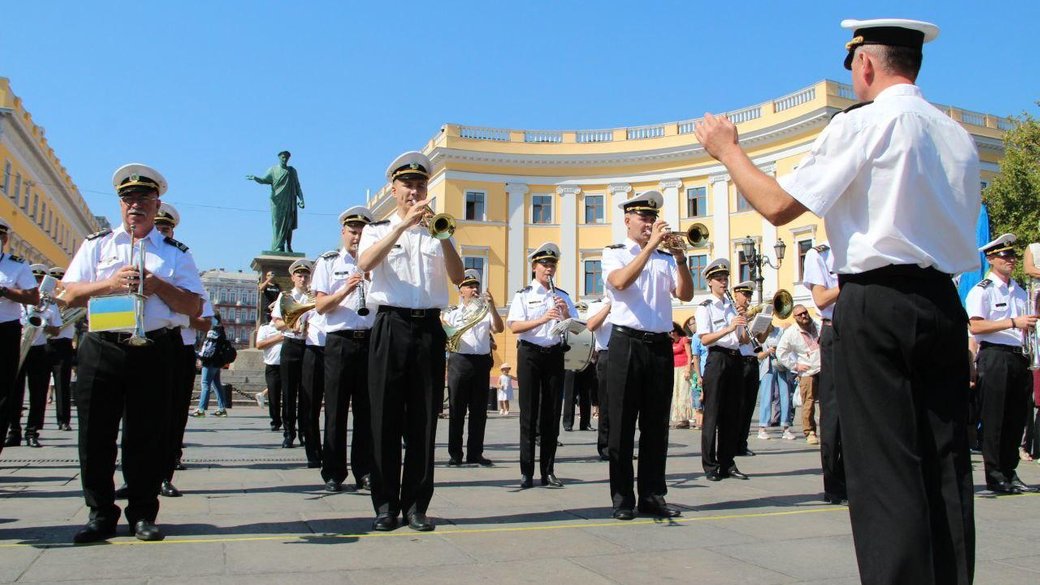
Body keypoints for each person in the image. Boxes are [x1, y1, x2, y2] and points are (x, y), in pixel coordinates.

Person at [695, 18, 979, 584]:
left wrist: (728, 152)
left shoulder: (865, 124)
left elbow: (777, 205)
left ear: (866, 64)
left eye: (852, 65)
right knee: (947, 464)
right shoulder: (956, 134)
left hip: (877, 302)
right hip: (944, 302)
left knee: (884, 467)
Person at [62, 163, 204, 543]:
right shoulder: (97, 245)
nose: (134, 206)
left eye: (143, 199)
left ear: (157, 205)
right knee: (95, 435)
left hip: (153, 348)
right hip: (103, 345)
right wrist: (108, 284)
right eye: (128, 199)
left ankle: (142, 512)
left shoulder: (175, 254)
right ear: (120, 205)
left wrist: (156, 284)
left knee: (146, 435)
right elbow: (67, 293)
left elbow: (193, 307)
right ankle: (99, 513)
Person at [357, 151, 464, 532]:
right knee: (384, 418)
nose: (415, 192)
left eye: (421, 186)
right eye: (408, 186)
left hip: (429, 329)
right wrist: (401, 226)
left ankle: (417, 505)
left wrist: (444, 236)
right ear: (394, 189)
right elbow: (365, 263)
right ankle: (385, 505)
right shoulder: (377, 228)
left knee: (423, 421)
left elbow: (458, 276)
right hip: (390, 324)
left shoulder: (439, 231)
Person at [602, 190, 694, 520]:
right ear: (627, 220)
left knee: (657, 426)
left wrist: (680, 258)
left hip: (659, 346)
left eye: (653, 218)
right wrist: (651, 246)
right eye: (643, 217)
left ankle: (653, 494)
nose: (650, 223)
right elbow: (621, 282)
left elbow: (685, 293)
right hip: (626, 344)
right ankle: (623, 498)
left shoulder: (666, 259)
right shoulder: (614, 253)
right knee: (623, 425)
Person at [965, 234, 1038, 494]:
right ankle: (995, 475)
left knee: (1016, 417)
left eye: (1013, 256)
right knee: (994, 418)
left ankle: (1010, 470)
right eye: (1005, 256)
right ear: (991, 258)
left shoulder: (1018, 290)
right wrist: (1012, 323)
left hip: (1019, 355)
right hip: (994, 355)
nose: (1011, 260)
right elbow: (976, 325)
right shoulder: (983, 289)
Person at [312, 206, 376, 492]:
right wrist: (346, 290)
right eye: (353, 232)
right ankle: (333, 472)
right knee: (336, 409)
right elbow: (321, 306)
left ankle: (364, 469)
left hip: (370, 339)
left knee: (367, 410)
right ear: (343, 232)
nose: (357, 237)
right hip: (340, 341)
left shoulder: (376, 261)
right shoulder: (328, 261)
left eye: (362, 233)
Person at [154, 202, 213, 498]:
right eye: (158, 226)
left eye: (165, 228)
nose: (161, 231)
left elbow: (204, 321)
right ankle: (136, 474)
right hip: (142, 342)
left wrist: (176, 310)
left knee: (173, 413)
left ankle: (165, 471)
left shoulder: (180, 262)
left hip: (178, 345)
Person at [506, 242, 576, 490]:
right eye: (545, 265)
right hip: (530, 355)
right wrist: (542, 318)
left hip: (554, 354)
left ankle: (548, 471)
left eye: (552, 265)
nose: (549, 269)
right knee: (528, 414)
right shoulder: (524, 295)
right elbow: (514, 326)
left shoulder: (562, 295)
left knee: (551, 413)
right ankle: (526, 472)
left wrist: (566, 314)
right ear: (534, 267)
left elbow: (577, 328)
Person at [695, 259, 749, 482]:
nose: (723, 283)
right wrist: (728, 327)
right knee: (713, 414)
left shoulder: (732, 306)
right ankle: (710, 465)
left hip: (735, 358)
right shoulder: (705, 306)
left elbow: (743, 340)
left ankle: (727, 462)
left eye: (725, 279)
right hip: (716, 359)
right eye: (719, 279)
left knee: (731, 415)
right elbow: (705, 338)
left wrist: (743, 322)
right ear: (709, 282)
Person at [444, 269, 504, 467]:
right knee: (457, 409)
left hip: (480, 363)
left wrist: (493, 306)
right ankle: (455, 453)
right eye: (470, 286)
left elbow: (498, 328)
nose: (474, 289)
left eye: (476, 286)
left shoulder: (485, 311)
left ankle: (475, 453)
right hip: (459, 361)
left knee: (479, 411)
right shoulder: (452, 313)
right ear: (460, 291)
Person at [802, 242, 847, 503]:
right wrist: (853, 283)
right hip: (835, 330)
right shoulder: (819, 254)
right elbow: (820, 299)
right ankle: (834, 483)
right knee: (833, 411)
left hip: (864, 329)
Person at [0, 219, 40, 457]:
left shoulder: (16, 265)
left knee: (3, 392)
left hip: (5, 330)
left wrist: (5, 291)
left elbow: (33, 296)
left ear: (4, 240)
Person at [10, 264, 61, 448]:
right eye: (34, 279)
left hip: (39, 349)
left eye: (40, 280)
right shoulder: (15, 300)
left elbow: (56, 330)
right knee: (14, 392)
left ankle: (32, 431)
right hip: (16, 348)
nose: (37, 282)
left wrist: (43, 325)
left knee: (38, 394)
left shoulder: (49, 303)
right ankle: (13, 430)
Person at [271, 259, 313, 448]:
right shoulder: (285, 296)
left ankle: (305, 431)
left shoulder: (313, 296)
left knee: (308, 392)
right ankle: (289, 432)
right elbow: (277, 323)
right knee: (288, 392)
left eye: (306, 276)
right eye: (299, 276)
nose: (303, 279)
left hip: (309, 345)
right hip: (291, 344)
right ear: (292, 277)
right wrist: (291, 325)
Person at [776, 305, 822, 445]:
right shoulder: (791, 333)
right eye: (800, 315)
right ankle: (810, 432)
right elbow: (780, 352)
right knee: (808, 402)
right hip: (807, 371)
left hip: (824, 367)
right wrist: (795, 366)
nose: (804, 316)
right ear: (795, 318)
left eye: (805, 313)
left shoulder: (818, 324)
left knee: (828, 401)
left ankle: (828, 430)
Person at [246, 150, 305, 253]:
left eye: (286, 157)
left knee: (288, 225)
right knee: (277, 224)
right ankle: (278, 246)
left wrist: (302, 199)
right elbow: (264, 180)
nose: (285, 159)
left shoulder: (292, 171)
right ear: (279, 158)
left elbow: (297, 186)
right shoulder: (273, 170)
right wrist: (256, 178)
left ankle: (288, 246)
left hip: (289, 200)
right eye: (283, 157)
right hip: (276, 201)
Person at [731, 280, 762, 458]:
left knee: (749, 405)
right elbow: (740, 339)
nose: (748, 298)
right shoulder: (733, 311)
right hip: (739, 359)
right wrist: (744, 320)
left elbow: (762, 340)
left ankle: (742, 443)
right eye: (745, 295)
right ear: (736, 294)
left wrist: (764, 323)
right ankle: (733, 442)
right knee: (739, 405)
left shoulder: (750, 314)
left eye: (750, 295)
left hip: (752, 360)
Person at [298, 281, 327, 469]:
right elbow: (294, 325)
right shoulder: (305, 300)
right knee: (310, 405)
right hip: (315, 349)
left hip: (337, 345)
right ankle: (314, 453)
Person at [45, 266, 76, 433]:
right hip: (44, 342)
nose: (58, 285)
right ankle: (34, 424)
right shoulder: (44, 298)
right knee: (39, 385)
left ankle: (63, 420)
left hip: (63, 342)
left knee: (62, 384)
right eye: (56, 281)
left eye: (61, 280)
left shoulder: (70, 298)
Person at [756, 324, 795, 441]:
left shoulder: (780, 331)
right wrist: (768, 351)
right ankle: (762, 428)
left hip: (781, 366)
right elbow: (759, 356)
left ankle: (786, 427)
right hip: (767, 367)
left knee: (785, 396)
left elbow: (788, 348)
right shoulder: (760, 333)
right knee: (766, 396)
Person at [586, 297, 613, 459]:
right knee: (606, 404)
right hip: (607, 355)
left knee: (627, 404)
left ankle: (622, 445)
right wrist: (609, 307)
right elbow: (591, 325)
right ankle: (605, 446)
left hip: (628, 354)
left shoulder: (630, 300)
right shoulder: (597, 305)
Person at [254, 309, 284, 431]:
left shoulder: (289, 325)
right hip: (272, 365)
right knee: (273, 395)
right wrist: (278, 338)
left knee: (288, 395)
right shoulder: (265, 327)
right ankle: (275, 421)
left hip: (288, 364)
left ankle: (288, 421)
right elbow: (259, 345)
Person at [193, 328, 229, 417]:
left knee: (205, 384)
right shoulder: (221, 332)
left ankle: (201, 409)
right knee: (217, 385)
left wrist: (199, 356)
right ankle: (222, 409)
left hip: (209, 362)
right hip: (217, 362)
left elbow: (207, 349)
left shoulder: (211, 332)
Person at [669, 322, 694, 429]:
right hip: (674, 369)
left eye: (673, 331)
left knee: (684, 392)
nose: (671, 333)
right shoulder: (670, 342)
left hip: (683, 368)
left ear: (677, 331)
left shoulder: (684, 340)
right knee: (676, 392)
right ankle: (678, 417)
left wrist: (688, 369)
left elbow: (689, 355)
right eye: (669, 332)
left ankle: (685, 418)